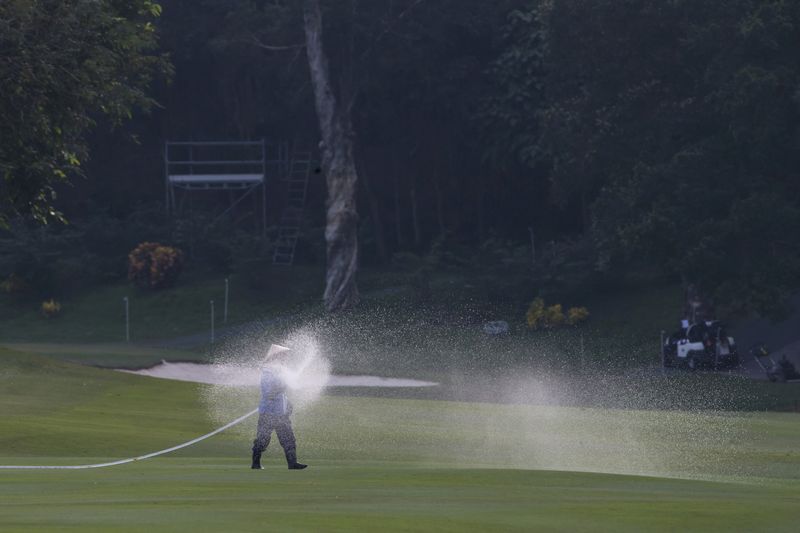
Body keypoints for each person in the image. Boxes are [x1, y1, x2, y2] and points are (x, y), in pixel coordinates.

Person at [251, 344, 308, 470]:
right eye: (283, 355)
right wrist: (281, 387)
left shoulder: (281, 370)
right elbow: (267, 392)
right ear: (275, 357)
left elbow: (281, 393)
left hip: (281, 414)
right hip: (269, 413)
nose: (285, 358)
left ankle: (292, 463)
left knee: (289, 438)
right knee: (263, 439)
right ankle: (255, 463)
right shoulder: (267, 371)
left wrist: (287, 404)